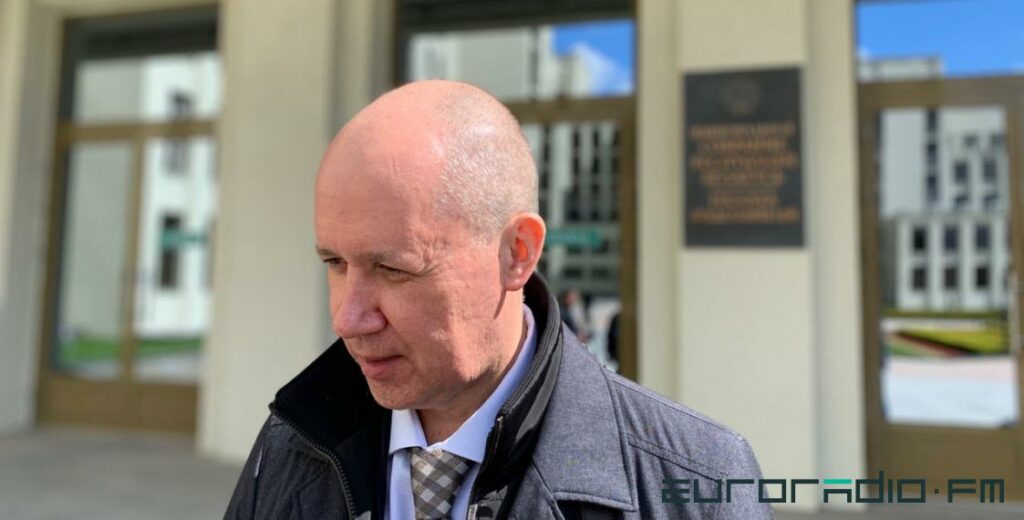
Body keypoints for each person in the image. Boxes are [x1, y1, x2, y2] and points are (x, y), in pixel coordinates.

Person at [225, 80, 771, 519]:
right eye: (335, 264)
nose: (348, 318)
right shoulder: (289, 446)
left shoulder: (700, 481)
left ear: (517, 253)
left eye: (392, 269)